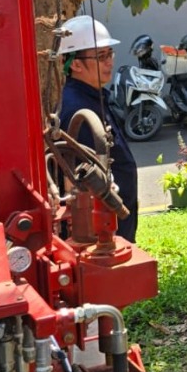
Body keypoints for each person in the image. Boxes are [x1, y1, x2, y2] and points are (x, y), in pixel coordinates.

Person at [56, 15, 139, 242]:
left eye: (110, 54)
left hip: (115, 220)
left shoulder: (95, 97)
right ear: (75, 64)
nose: (109, 62)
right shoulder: (76, 108)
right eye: (101, 56)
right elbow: (79, 180)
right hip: (102, 229)